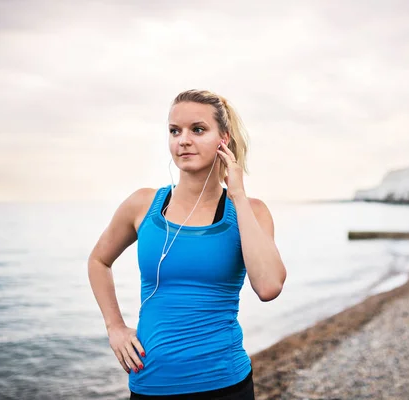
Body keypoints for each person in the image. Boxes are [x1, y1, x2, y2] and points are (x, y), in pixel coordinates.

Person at [88, 89, 287, 399]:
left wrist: (237, 195)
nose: (183, 140)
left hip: (225, 383)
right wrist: (115, 326)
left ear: (224, 137)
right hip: (150, 384)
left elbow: (269, 287)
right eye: (174, 131)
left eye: (197, 129)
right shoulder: (142, 205)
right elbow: (99, 261)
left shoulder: (251, 211)